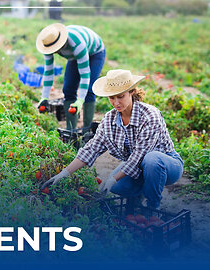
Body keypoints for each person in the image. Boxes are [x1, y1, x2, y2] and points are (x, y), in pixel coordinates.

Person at [42, 69, 184, 209]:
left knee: (151, 160)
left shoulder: (149, 115)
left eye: (120, 96)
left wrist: (114, 178)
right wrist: (64, 173)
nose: (116, 102)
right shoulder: (109, 119)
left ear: (131, 92)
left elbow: (140, 155)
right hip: (137, 166)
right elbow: (92, 148)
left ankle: (153, 207)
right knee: (117, 187)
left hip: (166, 164)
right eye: (111, 97)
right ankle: (136, 198)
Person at [36, 23, 106, 130]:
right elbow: (48, 72)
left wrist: (80, 100)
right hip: (74, 56)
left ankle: (87, 129)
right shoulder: (48, 44)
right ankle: (71, 129)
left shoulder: (77, 44)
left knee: (89, 90)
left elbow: (85, 74)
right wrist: (44, 97)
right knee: (68, 89)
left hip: (95, 53)